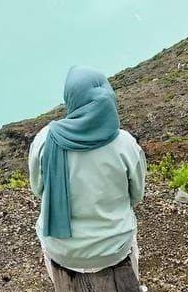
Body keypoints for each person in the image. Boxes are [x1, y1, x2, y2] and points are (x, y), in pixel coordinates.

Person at [28, 66, 147, 278]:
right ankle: (132, 285)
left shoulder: (45, 140)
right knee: (130, 227)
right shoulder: (126, 144)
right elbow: (136, 196)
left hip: (62, 251)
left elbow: (38, 189)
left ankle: (62, 288)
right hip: (114, 248)